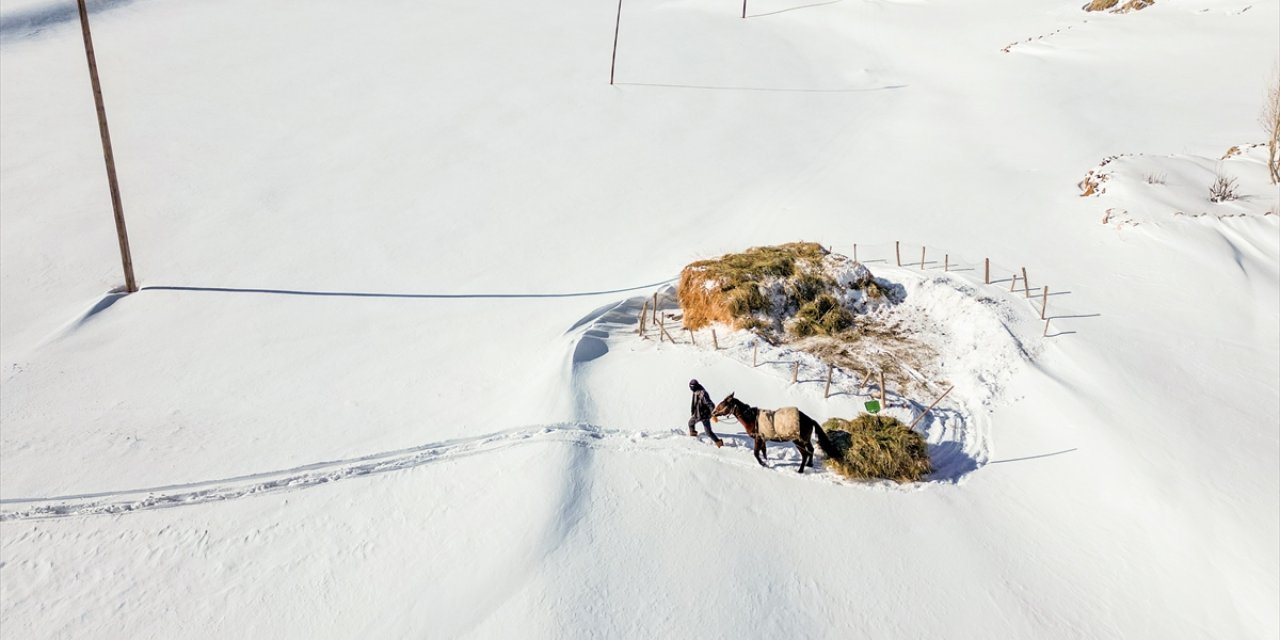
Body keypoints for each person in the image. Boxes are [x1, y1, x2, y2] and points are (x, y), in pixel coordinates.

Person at [687, 379, 723, 447]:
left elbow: (710, 404)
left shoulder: (702, 393)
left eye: (691, 386)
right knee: (690, 423)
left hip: (704, 415)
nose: (691, 388)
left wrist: (713, 414)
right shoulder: (696, 391)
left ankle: (719, 443)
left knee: (708, 432)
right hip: (697, 414)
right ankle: (693, 436)